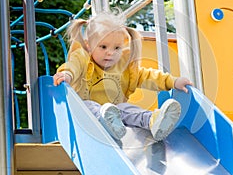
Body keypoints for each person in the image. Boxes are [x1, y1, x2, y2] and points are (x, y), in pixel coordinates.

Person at [53, 9, 193, 141]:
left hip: (115, 116)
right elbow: (73, 66)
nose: (110, 53)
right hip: (84, 116)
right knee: (88, 105)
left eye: (117, 48)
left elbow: (147, 76)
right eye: (103, 47)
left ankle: (153, 121)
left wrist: (173, 82)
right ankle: (105, 122)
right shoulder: (83, 58)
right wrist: (67, 75)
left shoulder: (124, 67)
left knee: (126, 108)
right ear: (89, 45)